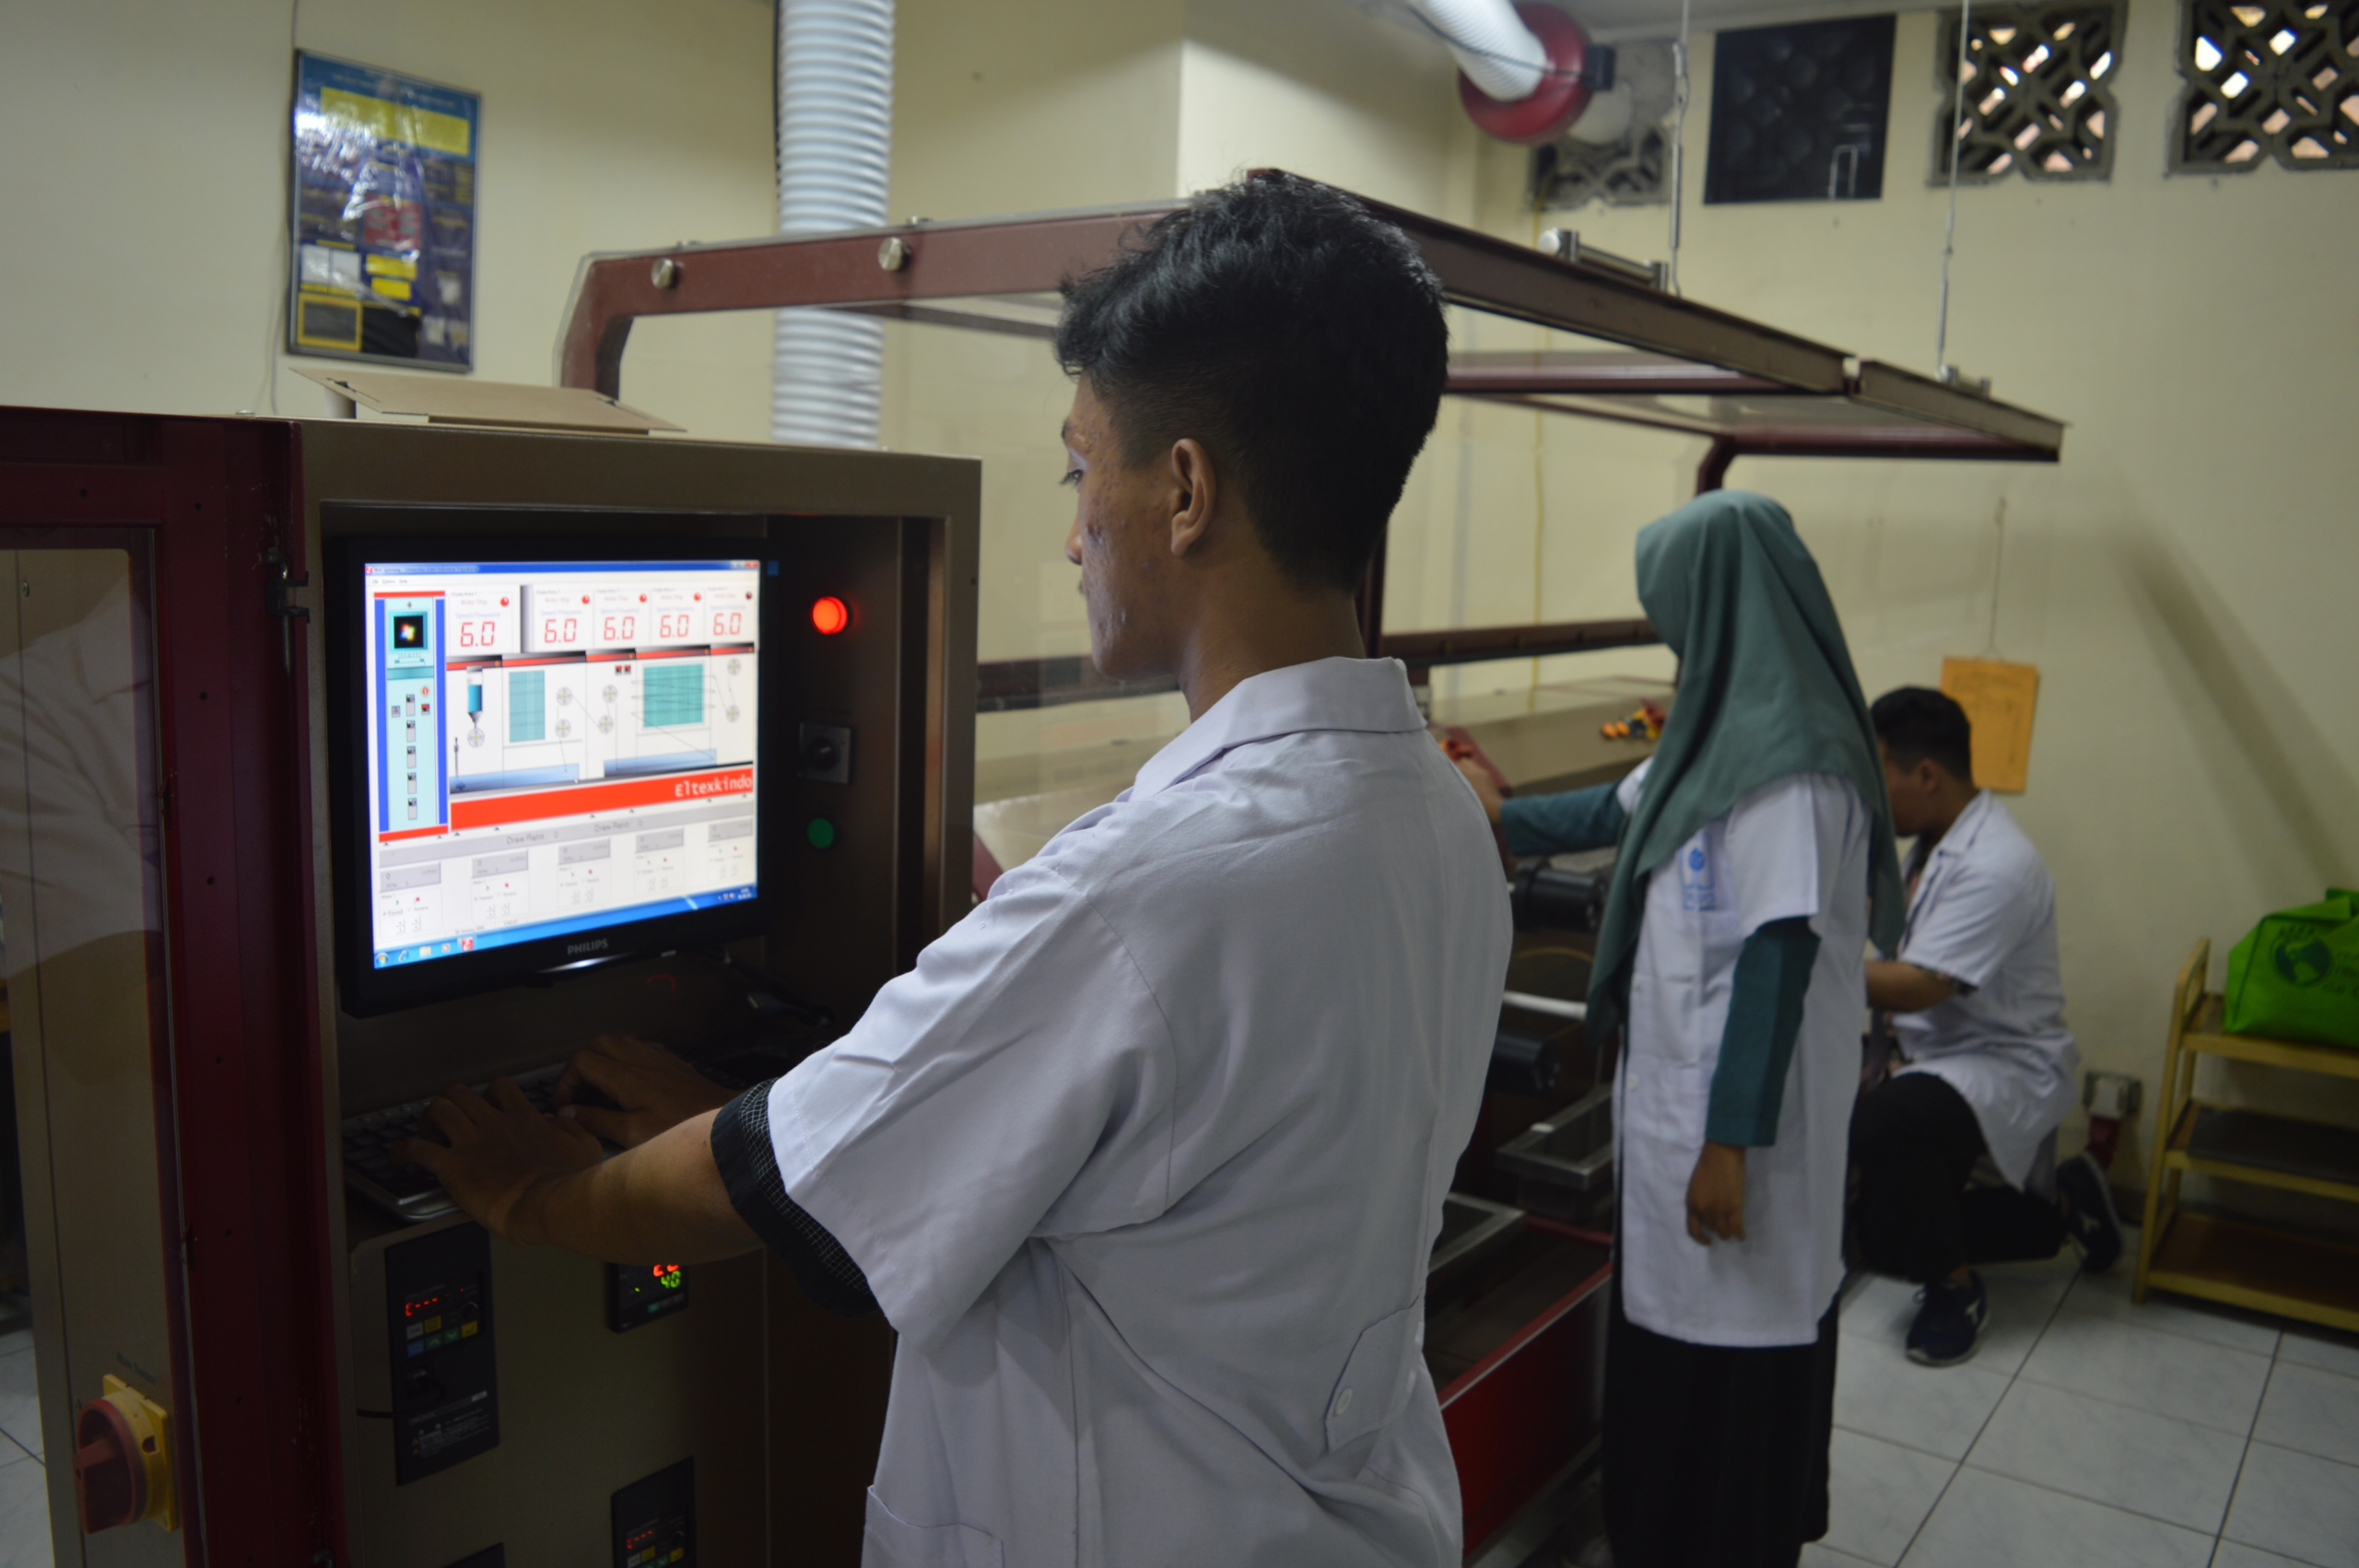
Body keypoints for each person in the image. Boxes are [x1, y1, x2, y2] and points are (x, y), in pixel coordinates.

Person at [398, 172, 1512, 1567]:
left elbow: (778, 1192)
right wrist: (757, 1107)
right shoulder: (1435, 815)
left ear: (1181, 492)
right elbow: (944, 1146)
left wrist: (536, 1200)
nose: (1069, 528)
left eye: (1077, 466)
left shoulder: (1142, 896)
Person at [1456, 490, 1904, 1568]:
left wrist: (1726, 1145)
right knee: (1672, 1352)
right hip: (1682, 1117)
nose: (1672, 640)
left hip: (1744, 1140)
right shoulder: (1724, 729)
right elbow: (1622, 808)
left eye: (1675, 616)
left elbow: (1777, 951)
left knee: (1735, 1372)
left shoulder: (1792, 762)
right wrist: (1495, 811)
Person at [1848, 686, 2118, 1367]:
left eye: (1876, 776)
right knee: (1867, 1240)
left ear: (1926, 775)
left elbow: (1917, 987)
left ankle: (1955, 1288)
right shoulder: (1928, 842)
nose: (1870, 797)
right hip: (1933, 1050)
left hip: (2002, 1060)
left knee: (1885, 1126)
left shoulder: (1998, 864)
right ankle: (2056, 1211)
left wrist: (1802, 970)